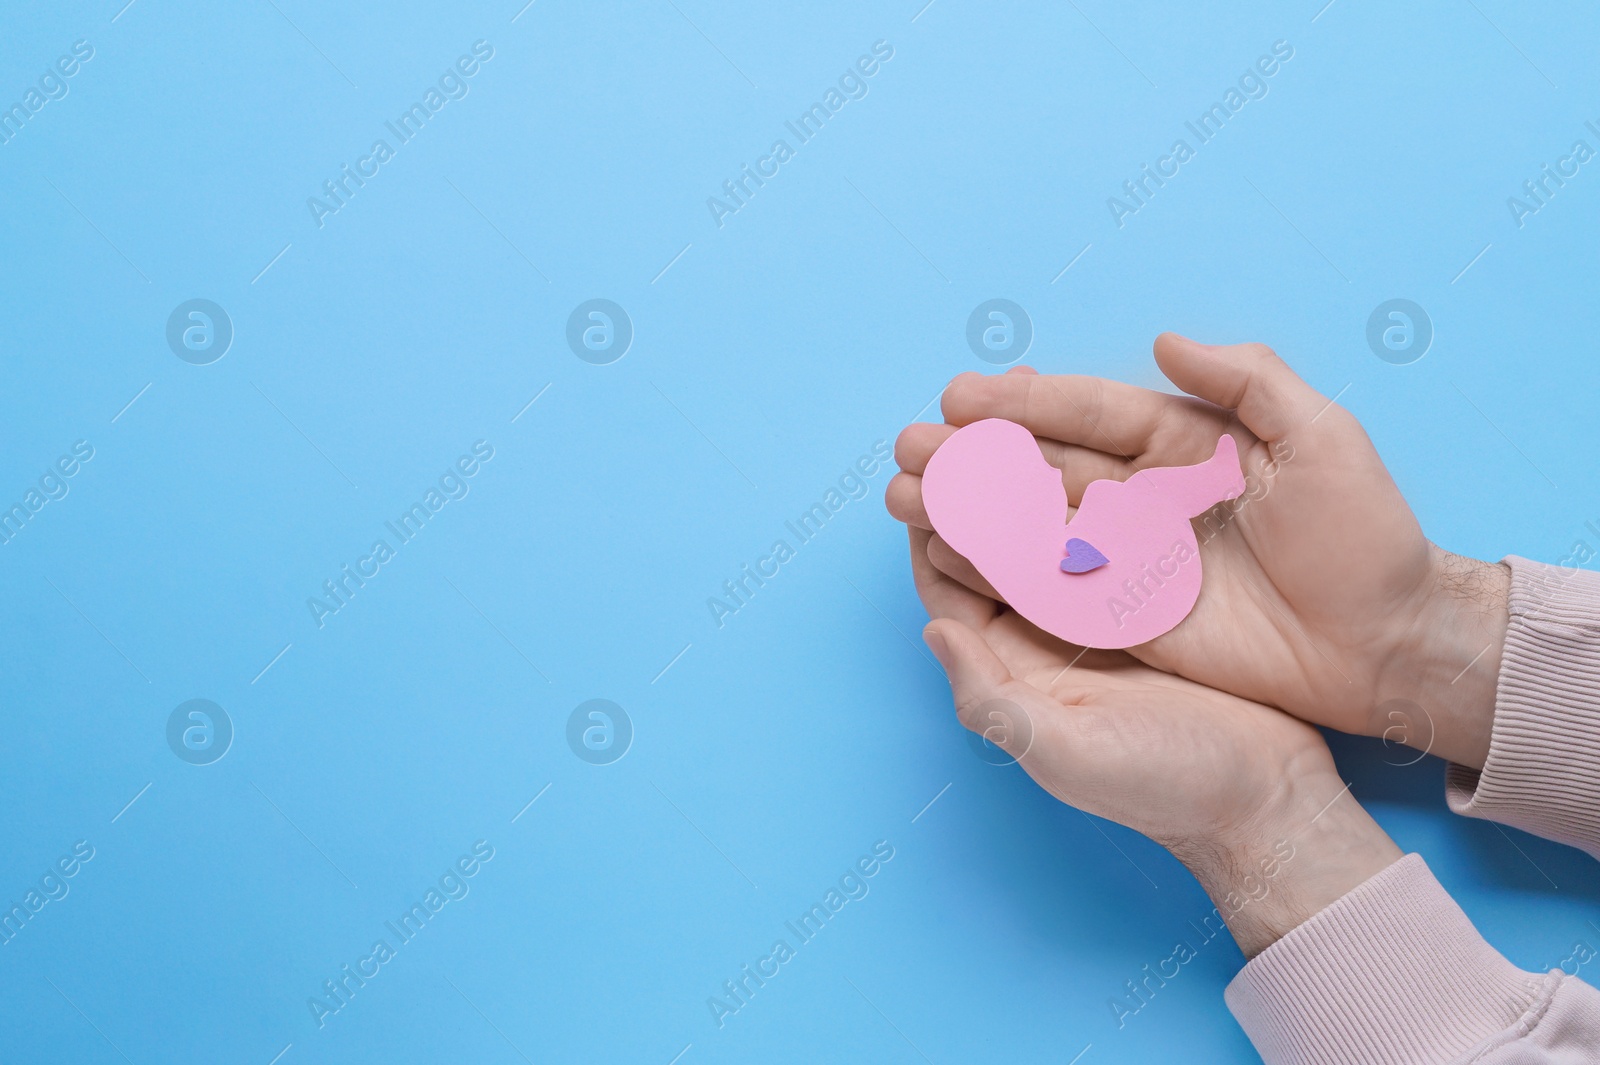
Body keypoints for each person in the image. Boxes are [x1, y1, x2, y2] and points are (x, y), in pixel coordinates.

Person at [886, 333, 1600, 1062]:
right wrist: (1425, 637)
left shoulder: (1055, 550)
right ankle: (1217, 484)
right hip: (1123, 567)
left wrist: (1266, 825)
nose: (1042, 484)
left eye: (1033, 475)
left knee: (1142, 496)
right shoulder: (1041, 567)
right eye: (1025, 484)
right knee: (1142, 496)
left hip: (1132, 564)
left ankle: (1215, 483)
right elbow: (1091, 546)